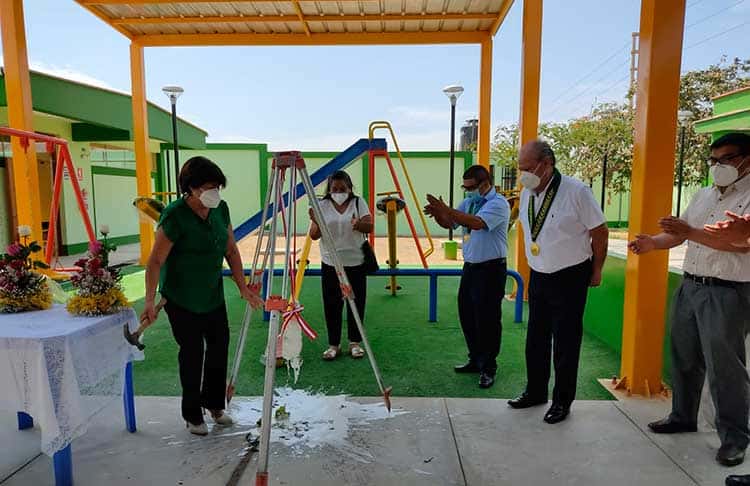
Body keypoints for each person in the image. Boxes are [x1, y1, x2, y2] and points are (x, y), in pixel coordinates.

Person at [628, 132, 750, 467]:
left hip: (728, 291)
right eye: (713, 160)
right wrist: (653, 242)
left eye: (725, 159)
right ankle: (682, 416)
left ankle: (735, 438)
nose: (718, 166)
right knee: (684, 355)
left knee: (725, 368)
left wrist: (688, 232)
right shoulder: (704, 195)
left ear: (745, 160)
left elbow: (739, 244)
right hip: (691, 284)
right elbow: (680, 234)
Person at [142, 156, 263, 436]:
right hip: (180, 298)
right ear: (191, 188)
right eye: (208, 187)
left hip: (212, 295)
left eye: (217, 186)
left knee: (219, 347)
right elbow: (156, 261)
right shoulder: (174, 215)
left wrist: (243, 287)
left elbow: (230, 249)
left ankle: (215, 405)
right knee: (192, 353)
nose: (214, 192)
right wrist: (149, 300)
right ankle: (192, 414)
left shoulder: (221, 209)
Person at [508, 140, 608, 424]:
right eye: (520, 168)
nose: (523, 174)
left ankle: (562, 401)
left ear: (547, 164)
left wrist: (597, 269)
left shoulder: (577, 191)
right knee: (536, 338)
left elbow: (600, 231)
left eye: (528, 168)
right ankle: (535, 391)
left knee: (565, 341)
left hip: (570, 275)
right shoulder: (527, 193)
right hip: (539, 273)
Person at [424, 165, 509, 389]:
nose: (467, 191)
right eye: (465, 187)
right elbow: (451, 223)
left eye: (470, 187)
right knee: (467, 315)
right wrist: (439, 214)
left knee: (488, 319)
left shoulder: (498, 203)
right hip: (471, 268)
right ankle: (475, 359)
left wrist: (447, 209)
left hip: (491, 269)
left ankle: (488, 367)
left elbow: (477, 223)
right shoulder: (469, 202)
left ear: (485, 183)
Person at [309, 170, 373, 361]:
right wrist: (316, 221)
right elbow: (314, 235)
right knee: (332, 304)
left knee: (356, 303)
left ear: (350, 188)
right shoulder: (322, 205)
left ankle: (355, 343)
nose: (338, 192)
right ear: (329, 189)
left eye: (342, 189)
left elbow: (369, 226)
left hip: (355, 261)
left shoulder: (358, 202)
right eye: (334, 189)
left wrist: (358, 224)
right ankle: (333, 345)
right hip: (331, 262)